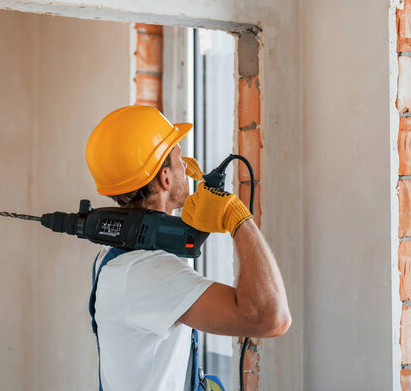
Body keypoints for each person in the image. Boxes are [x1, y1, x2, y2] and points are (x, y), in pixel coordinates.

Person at [85, 105, 291, 391]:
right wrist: (238, 219)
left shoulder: (114, 256)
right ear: (166, 178)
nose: (188, 165)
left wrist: (188, 232)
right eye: (180, 157)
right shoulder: (147, 272)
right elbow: (270, 318)